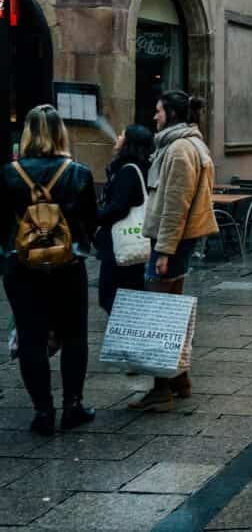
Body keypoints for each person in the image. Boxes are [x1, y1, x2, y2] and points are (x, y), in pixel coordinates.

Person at [0, 104, 97, 435]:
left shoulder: (8, 174)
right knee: (74, 337)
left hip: (22, 266)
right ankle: (73, 406)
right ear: (61, 133)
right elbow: (90, 223)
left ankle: (43, 412)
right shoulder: (79, 173)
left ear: (27, 132)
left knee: (30, 338)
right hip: (67, 265)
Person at [129, 91, 217, 412]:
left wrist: (164, 250)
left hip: (171, 243)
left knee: (158, 317)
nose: (155, 116)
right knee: (172, 314)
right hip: (177, 242)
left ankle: (161, 388)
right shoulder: (186, 143)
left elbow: (175, 205)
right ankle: (180, 379)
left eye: (159, 110)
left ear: (172, 114)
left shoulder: (180, 149)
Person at [95, 125, 154, 315]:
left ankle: (130, 329)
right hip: (132, 242)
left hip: (119, 244)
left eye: (122, 135)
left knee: (109, 295)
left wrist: (96, 216)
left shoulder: (128, 170)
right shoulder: (142, 167)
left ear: (129, 143)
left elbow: (118, 207)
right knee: (131, 290)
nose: (118, 137)